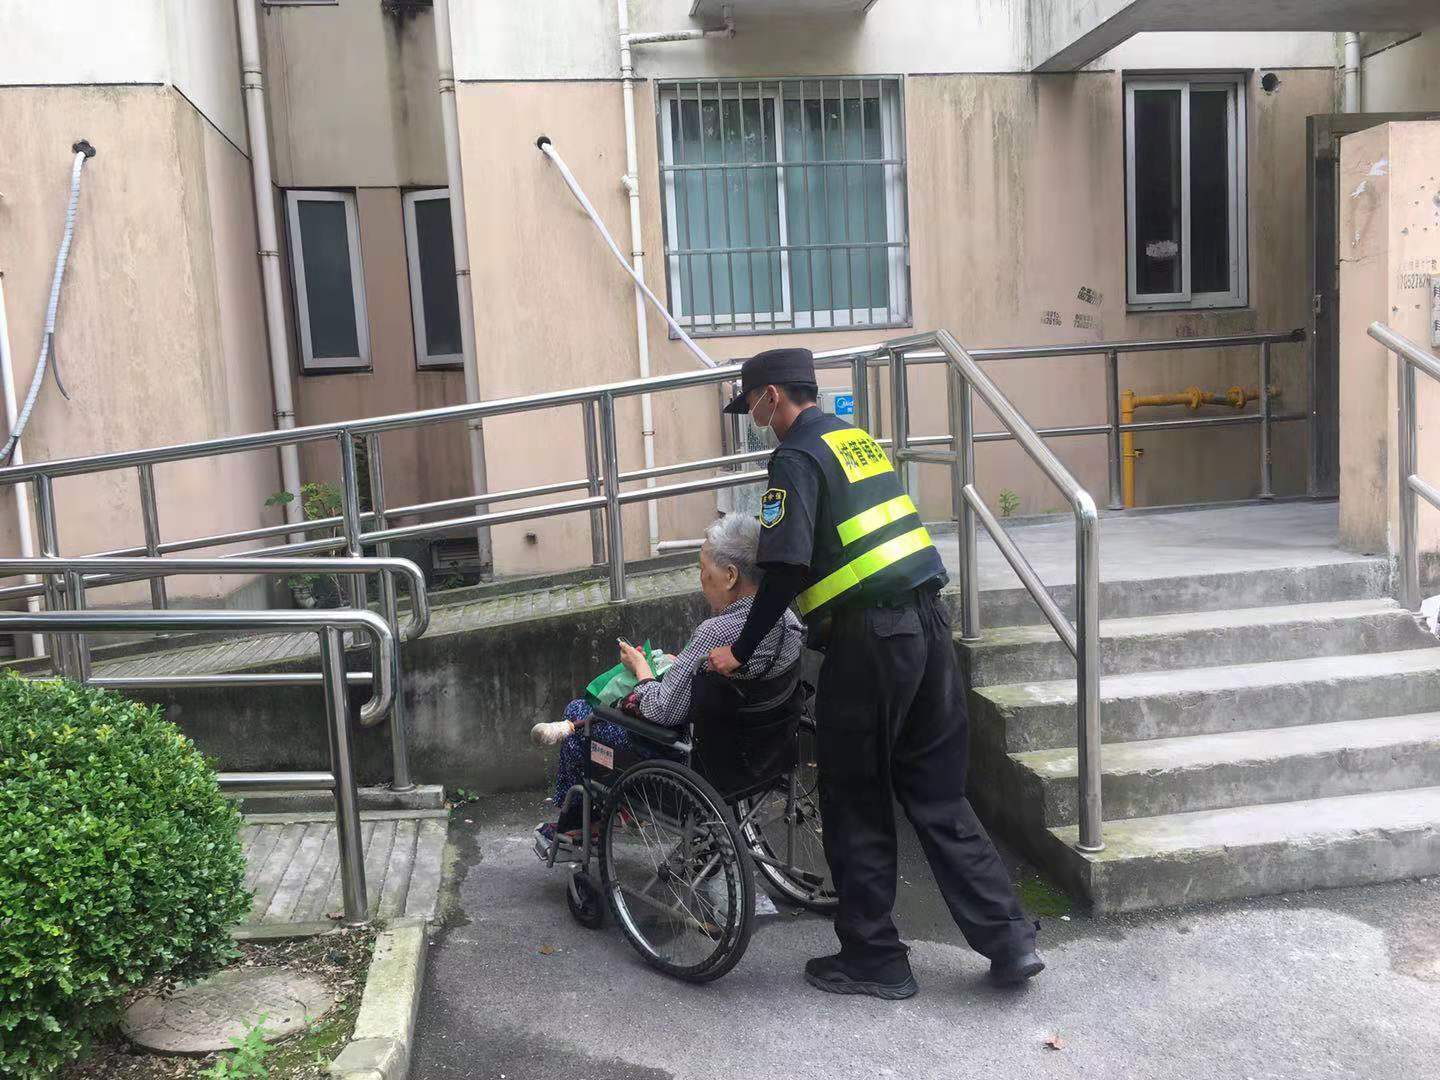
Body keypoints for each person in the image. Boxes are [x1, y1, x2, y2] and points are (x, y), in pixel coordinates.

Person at [707, 347, 1043, 1000]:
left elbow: (785, 568)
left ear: (772, 396)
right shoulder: (855, 442)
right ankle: (1010, 939)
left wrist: (740, 650)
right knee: (938, 793)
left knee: (854, 795)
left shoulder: (794, 456)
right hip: (927, 628)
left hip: (871, 641)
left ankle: (874, 958)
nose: (751, 416)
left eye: (751, 404)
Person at [531, 512, 803, 848]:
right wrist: (681, 669)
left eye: (703, 569)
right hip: (764, 752)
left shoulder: (715, 632)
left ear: (731, 576)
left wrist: (642, 669)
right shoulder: (787, 620)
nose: (701, 578)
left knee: (580, 716)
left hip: (692, 761)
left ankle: (579, 825)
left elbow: (661, 711)